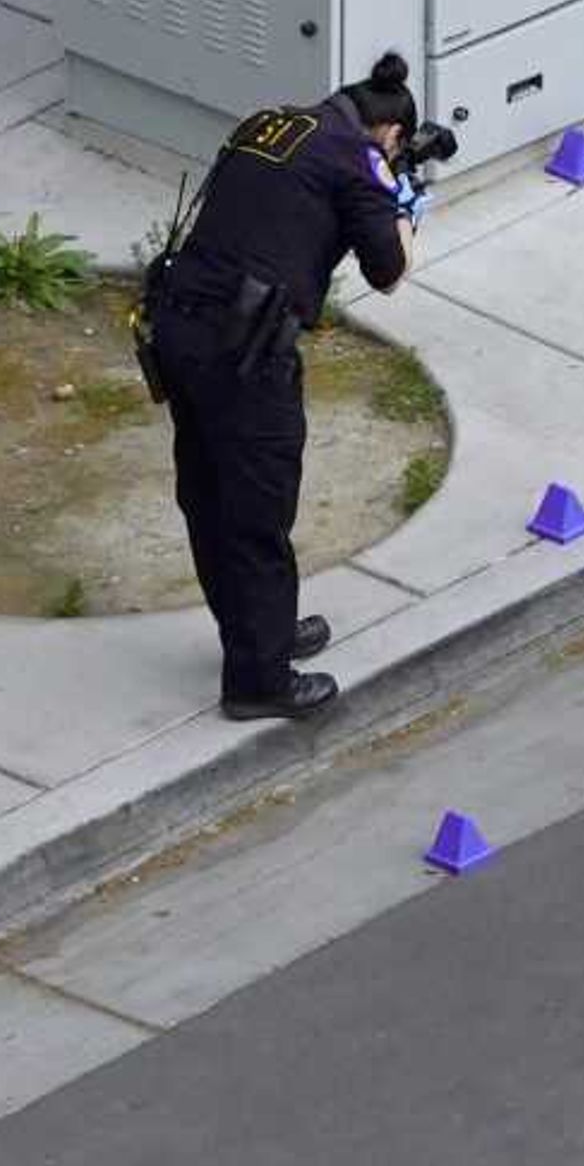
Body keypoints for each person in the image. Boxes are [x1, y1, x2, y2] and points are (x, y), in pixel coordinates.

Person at [145, 52, 421, 720]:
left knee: (207, 490)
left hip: (179, 328)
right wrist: (405, 204)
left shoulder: (271, 123)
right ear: (389, 135)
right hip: (245, 350)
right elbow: (389, 270)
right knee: (259, 509)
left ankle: (256, 633)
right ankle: (259, 681)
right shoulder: (358, 160)